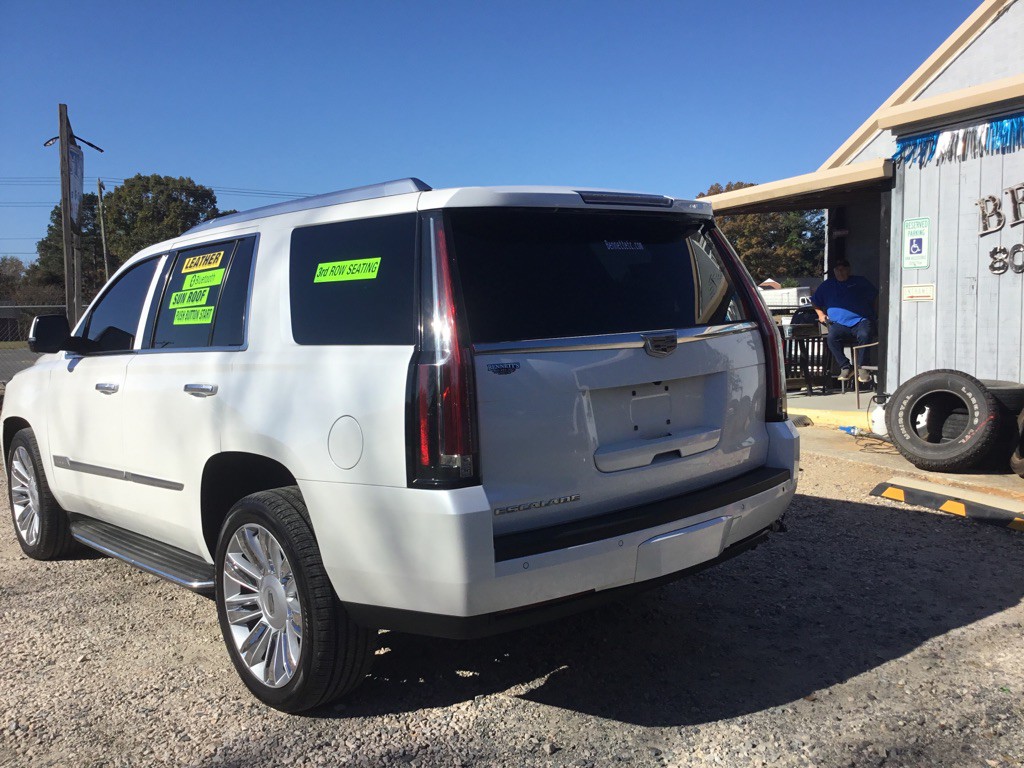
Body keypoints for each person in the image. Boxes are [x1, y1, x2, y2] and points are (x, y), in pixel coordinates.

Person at [812, 259, 878, 383]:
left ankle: (862, 367)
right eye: (837, 270)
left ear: (848, 270)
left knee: (865, 335)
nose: (840, 272)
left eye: (842, 269)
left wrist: (873, 314)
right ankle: (846, 366)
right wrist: (821, 314)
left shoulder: (860, 281)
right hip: (839, 324)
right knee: (831, 337)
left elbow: (875, 296)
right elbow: (815, 301)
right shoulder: (827, 285)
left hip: (861, 321)